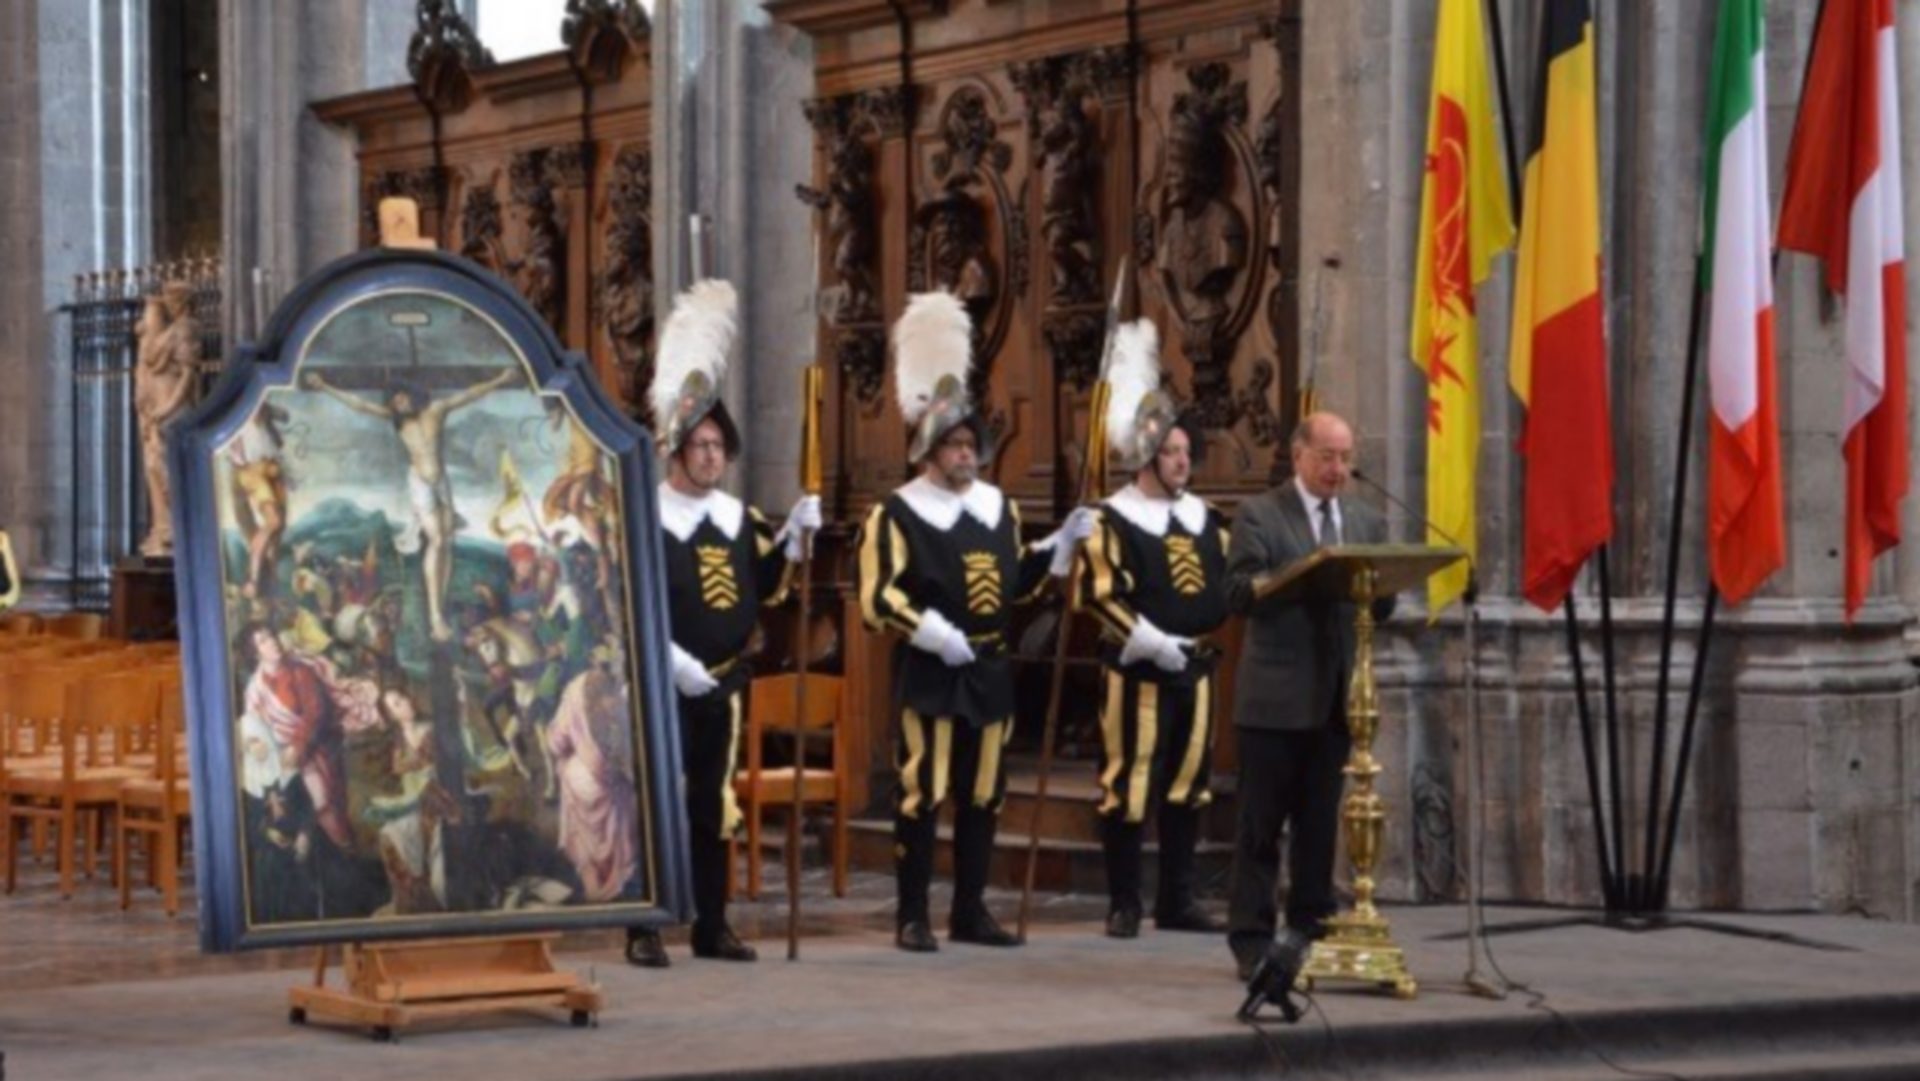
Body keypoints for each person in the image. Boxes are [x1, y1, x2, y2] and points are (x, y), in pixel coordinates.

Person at [858, 290, 1092, 953]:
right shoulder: (896, 514)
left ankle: (970, 909)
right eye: (953, 444)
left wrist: (1056, 553)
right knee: (922, 791)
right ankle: (911, 914)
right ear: (929, 449)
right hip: (931, 667)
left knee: (984, 792)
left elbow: (1013, 585)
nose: (965, 453)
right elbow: (877, 596)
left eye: (970, 443)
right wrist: (931, 630)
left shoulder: (998, 507)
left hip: (988, 667)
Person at [624, 279, 822, 967]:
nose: (711, 456)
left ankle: (713, 922)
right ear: (677, 448)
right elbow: (632, 598)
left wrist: (794, 541)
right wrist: (669, 659)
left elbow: (766, 587)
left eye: (719, 446)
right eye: (701, 445)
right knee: (656, 802)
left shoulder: (740, 519)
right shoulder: (645, 514)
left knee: (715, 805)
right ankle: (644, 924)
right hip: (662, 677)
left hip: (725, 682)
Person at [1222, 411, 1393, 980]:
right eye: (1327, 456)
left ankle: (1311, 929)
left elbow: (1381, 599)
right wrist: (1301, 576)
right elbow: (1238, 592)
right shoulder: (1260, 514)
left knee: (1320, 827)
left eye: (1345, 457)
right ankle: (1252, 940)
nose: (1338, 468)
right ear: (1299, 455)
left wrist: (1384, 590)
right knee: (1261, 827)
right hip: (1273, 700)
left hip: (1337, 698)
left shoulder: (1366, 520)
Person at [1074, 320, 1230, 938]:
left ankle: (1177, 899)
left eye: (1187, 453)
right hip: (1136, 668)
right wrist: (1153, 643)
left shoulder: (1208, 518)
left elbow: (1227, 583)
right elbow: (1098, 593)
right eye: (1171, 452)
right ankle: (1124, 902)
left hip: (1196, 667)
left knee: (1188, 782)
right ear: (1146, 455)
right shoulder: (1112, 518)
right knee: (1130, 781)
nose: (1182, 462)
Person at [305, 365, 520, 641]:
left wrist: (500, 379)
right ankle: (435, 616)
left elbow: (469, 395)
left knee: (446, 543)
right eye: (394, 401)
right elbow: (360, 406)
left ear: (412, 394)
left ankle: (438, 606)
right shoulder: (399, 421)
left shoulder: (436, 410)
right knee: (437, 541)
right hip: (420, 483)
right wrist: (324, 386)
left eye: (401, 398)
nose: (398, 404)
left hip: (441, 482)